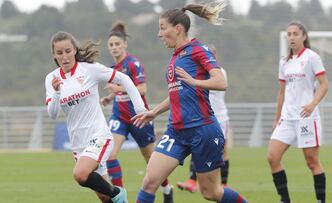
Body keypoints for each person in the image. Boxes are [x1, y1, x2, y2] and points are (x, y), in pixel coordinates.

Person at [132, 2, 248, 203]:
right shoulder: (175, 58)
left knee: (211, 193)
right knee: (150, 182)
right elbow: (177, 94)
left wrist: (195, 82)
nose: (159, 34)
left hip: (202, 130)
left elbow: (221, 82)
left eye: (162, 28)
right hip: (176, 131)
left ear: (177, 29)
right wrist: (154, 112)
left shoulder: (198, 50)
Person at [45, 31, 147, 203]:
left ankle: (118, 193)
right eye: (60, 53)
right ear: (54, 55)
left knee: (80, 174)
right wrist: (56, 93)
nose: (65, 56)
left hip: (99, 136)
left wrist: (140, 108)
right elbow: (53, 114)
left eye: (68, 51)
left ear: (75, 50)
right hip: (79, 144)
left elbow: (124, 79)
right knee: (104, 197)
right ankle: (115, 196)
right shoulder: (51, 78)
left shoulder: (89, 70)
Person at [100, 21, 174, 203]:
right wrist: (109, 98)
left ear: (125, 44)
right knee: (110, 155)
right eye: (111, 45)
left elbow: (142, 89)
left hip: (139, 117)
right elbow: (117, 91)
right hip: (119, 117)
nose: (114, 48)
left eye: (117, 44)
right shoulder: (111, 69)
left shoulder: (133, 64)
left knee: (150, 158)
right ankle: (119, 196)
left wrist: (118, 89)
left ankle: (166, 188)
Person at [267, 21, 328, 203]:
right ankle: (285, 200)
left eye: (295, 34)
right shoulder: (284, 62)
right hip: (287, 119)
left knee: (312, 162)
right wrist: (277, 118)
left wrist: (312, 104)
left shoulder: (312, 57)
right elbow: (282, 92)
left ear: (304, 37)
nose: (291, 37)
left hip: (306, 119)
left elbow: (324, 85)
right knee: (272, 157)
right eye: (289, 34)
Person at [177, 48, 231, 192]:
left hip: (220, 116)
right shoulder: (199, 73)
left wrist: (194, 81)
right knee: (197, 146)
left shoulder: (220, 72)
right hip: (204, 116)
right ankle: (192, 181)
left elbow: (220, 85)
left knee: (223, 150)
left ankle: (224, 184)